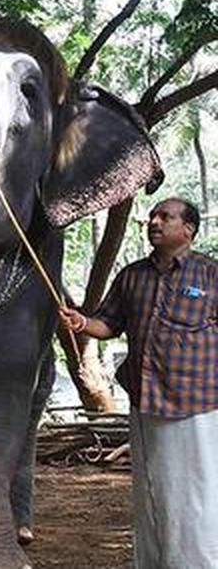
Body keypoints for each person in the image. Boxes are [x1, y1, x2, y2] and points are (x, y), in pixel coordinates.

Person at [60, 197, 218, 568]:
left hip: (200, 402)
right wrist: (82, 323)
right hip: (147, 402)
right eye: (152, 216)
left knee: (200, 488)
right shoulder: (132, 276)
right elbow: (108, 324)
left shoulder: (211, 274)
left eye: (166, 217)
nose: (155, 222)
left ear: (188, 230)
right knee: (155, 489)